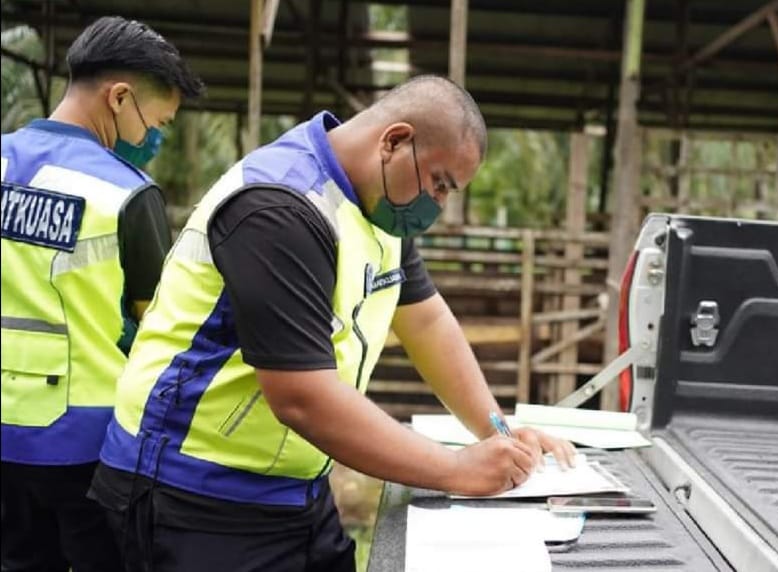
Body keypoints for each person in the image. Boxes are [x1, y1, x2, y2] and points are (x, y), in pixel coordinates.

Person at [89, 75, 575, 572]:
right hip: (190, 498)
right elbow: (302, 397)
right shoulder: (280, 207)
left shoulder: (380, 209)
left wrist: (496, 432)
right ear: (394, 141)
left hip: (292, 491)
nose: (440, 205)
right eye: (440, 183)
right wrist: (454, 470)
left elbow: (426, 321)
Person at [0, 16, 203, 572]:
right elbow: (160, 331)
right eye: (156, 122)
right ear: (119, 98)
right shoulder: (126, 193)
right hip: (88, 444)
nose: (153, 139)